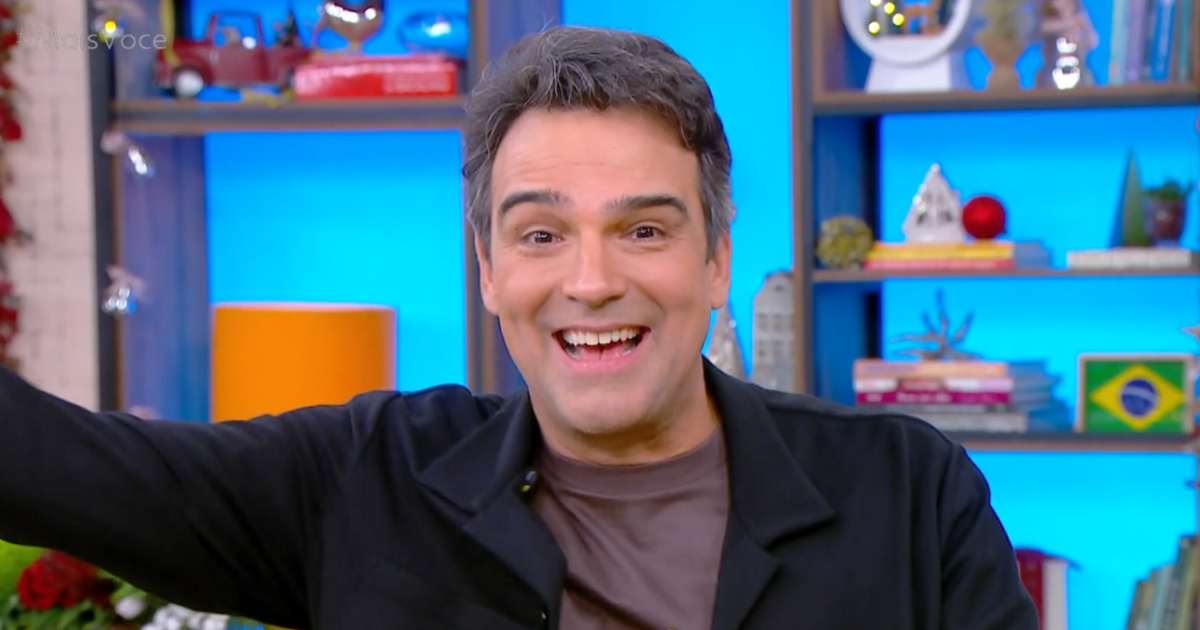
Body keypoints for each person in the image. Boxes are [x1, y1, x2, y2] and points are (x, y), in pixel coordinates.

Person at [0, 25, 1038, 630]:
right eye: (541, 234)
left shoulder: (910, 493)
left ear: (716, 259)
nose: (592, 281)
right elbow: (46, 461)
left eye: (642, 229)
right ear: (490, 270)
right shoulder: (364, 477)